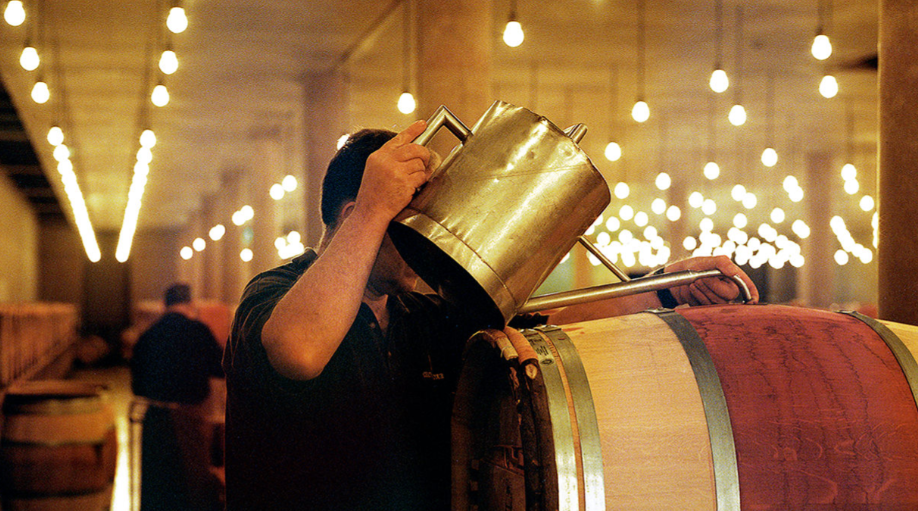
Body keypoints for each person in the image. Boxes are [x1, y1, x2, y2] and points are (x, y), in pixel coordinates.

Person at [222, 120, 759, 510]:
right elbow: (298, 352)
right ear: (351, 215)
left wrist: (667, 287)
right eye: (407, 221)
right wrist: (374, 207)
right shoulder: (274, 293)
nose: (421, 243)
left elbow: (550, 329)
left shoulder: (419, 315)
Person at [131, 283, 226, 511]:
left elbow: (137, 386)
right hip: (189, 418)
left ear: (165, 305)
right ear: (190, 304)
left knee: (157, 486)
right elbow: (220, 368)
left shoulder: (148, 335)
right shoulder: (199, 331)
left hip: (154, 418)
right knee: (191, 484)